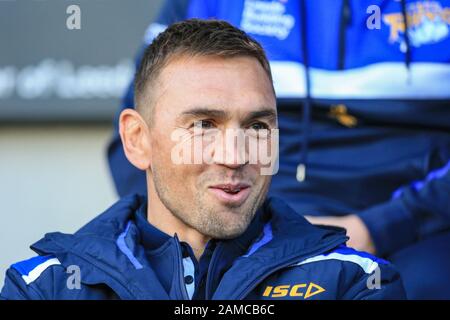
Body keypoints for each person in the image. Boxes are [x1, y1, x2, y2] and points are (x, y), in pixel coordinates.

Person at [1, 19, 404, 300]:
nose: (235, 156)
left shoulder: (353, 282)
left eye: (257, 127)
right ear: (137, 140)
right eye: (203, 126)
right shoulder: (44, 287)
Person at [107, 0, 450, 299]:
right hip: (255, 216)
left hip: (417, 222)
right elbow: (149, 127)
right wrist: (189, 233)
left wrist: (381, 226)